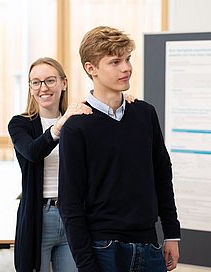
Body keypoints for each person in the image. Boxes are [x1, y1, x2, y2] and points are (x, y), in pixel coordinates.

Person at [58, 26, 181, 272]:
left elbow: (162, 176)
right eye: (115, 62)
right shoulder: (76, 127)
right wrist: (87, 265)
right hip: (103, 248)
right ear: (91, 69)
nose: (126, 68)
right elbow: (70, 204)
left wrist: (171, 233)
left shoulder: (145, 113)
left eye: (127, 59)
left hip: (149, 243)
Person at [8, 57, 136, 271]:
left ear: (63, 83)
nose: (43, 88)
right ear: (30, 88)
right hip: (39, 216)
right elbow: (33, 152)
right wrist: (60, 125)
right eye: (36, 82)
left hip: (74, 217)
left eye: (50, 80)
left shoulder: (79, 119)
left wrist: (122, 102)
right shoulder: (20, 124)